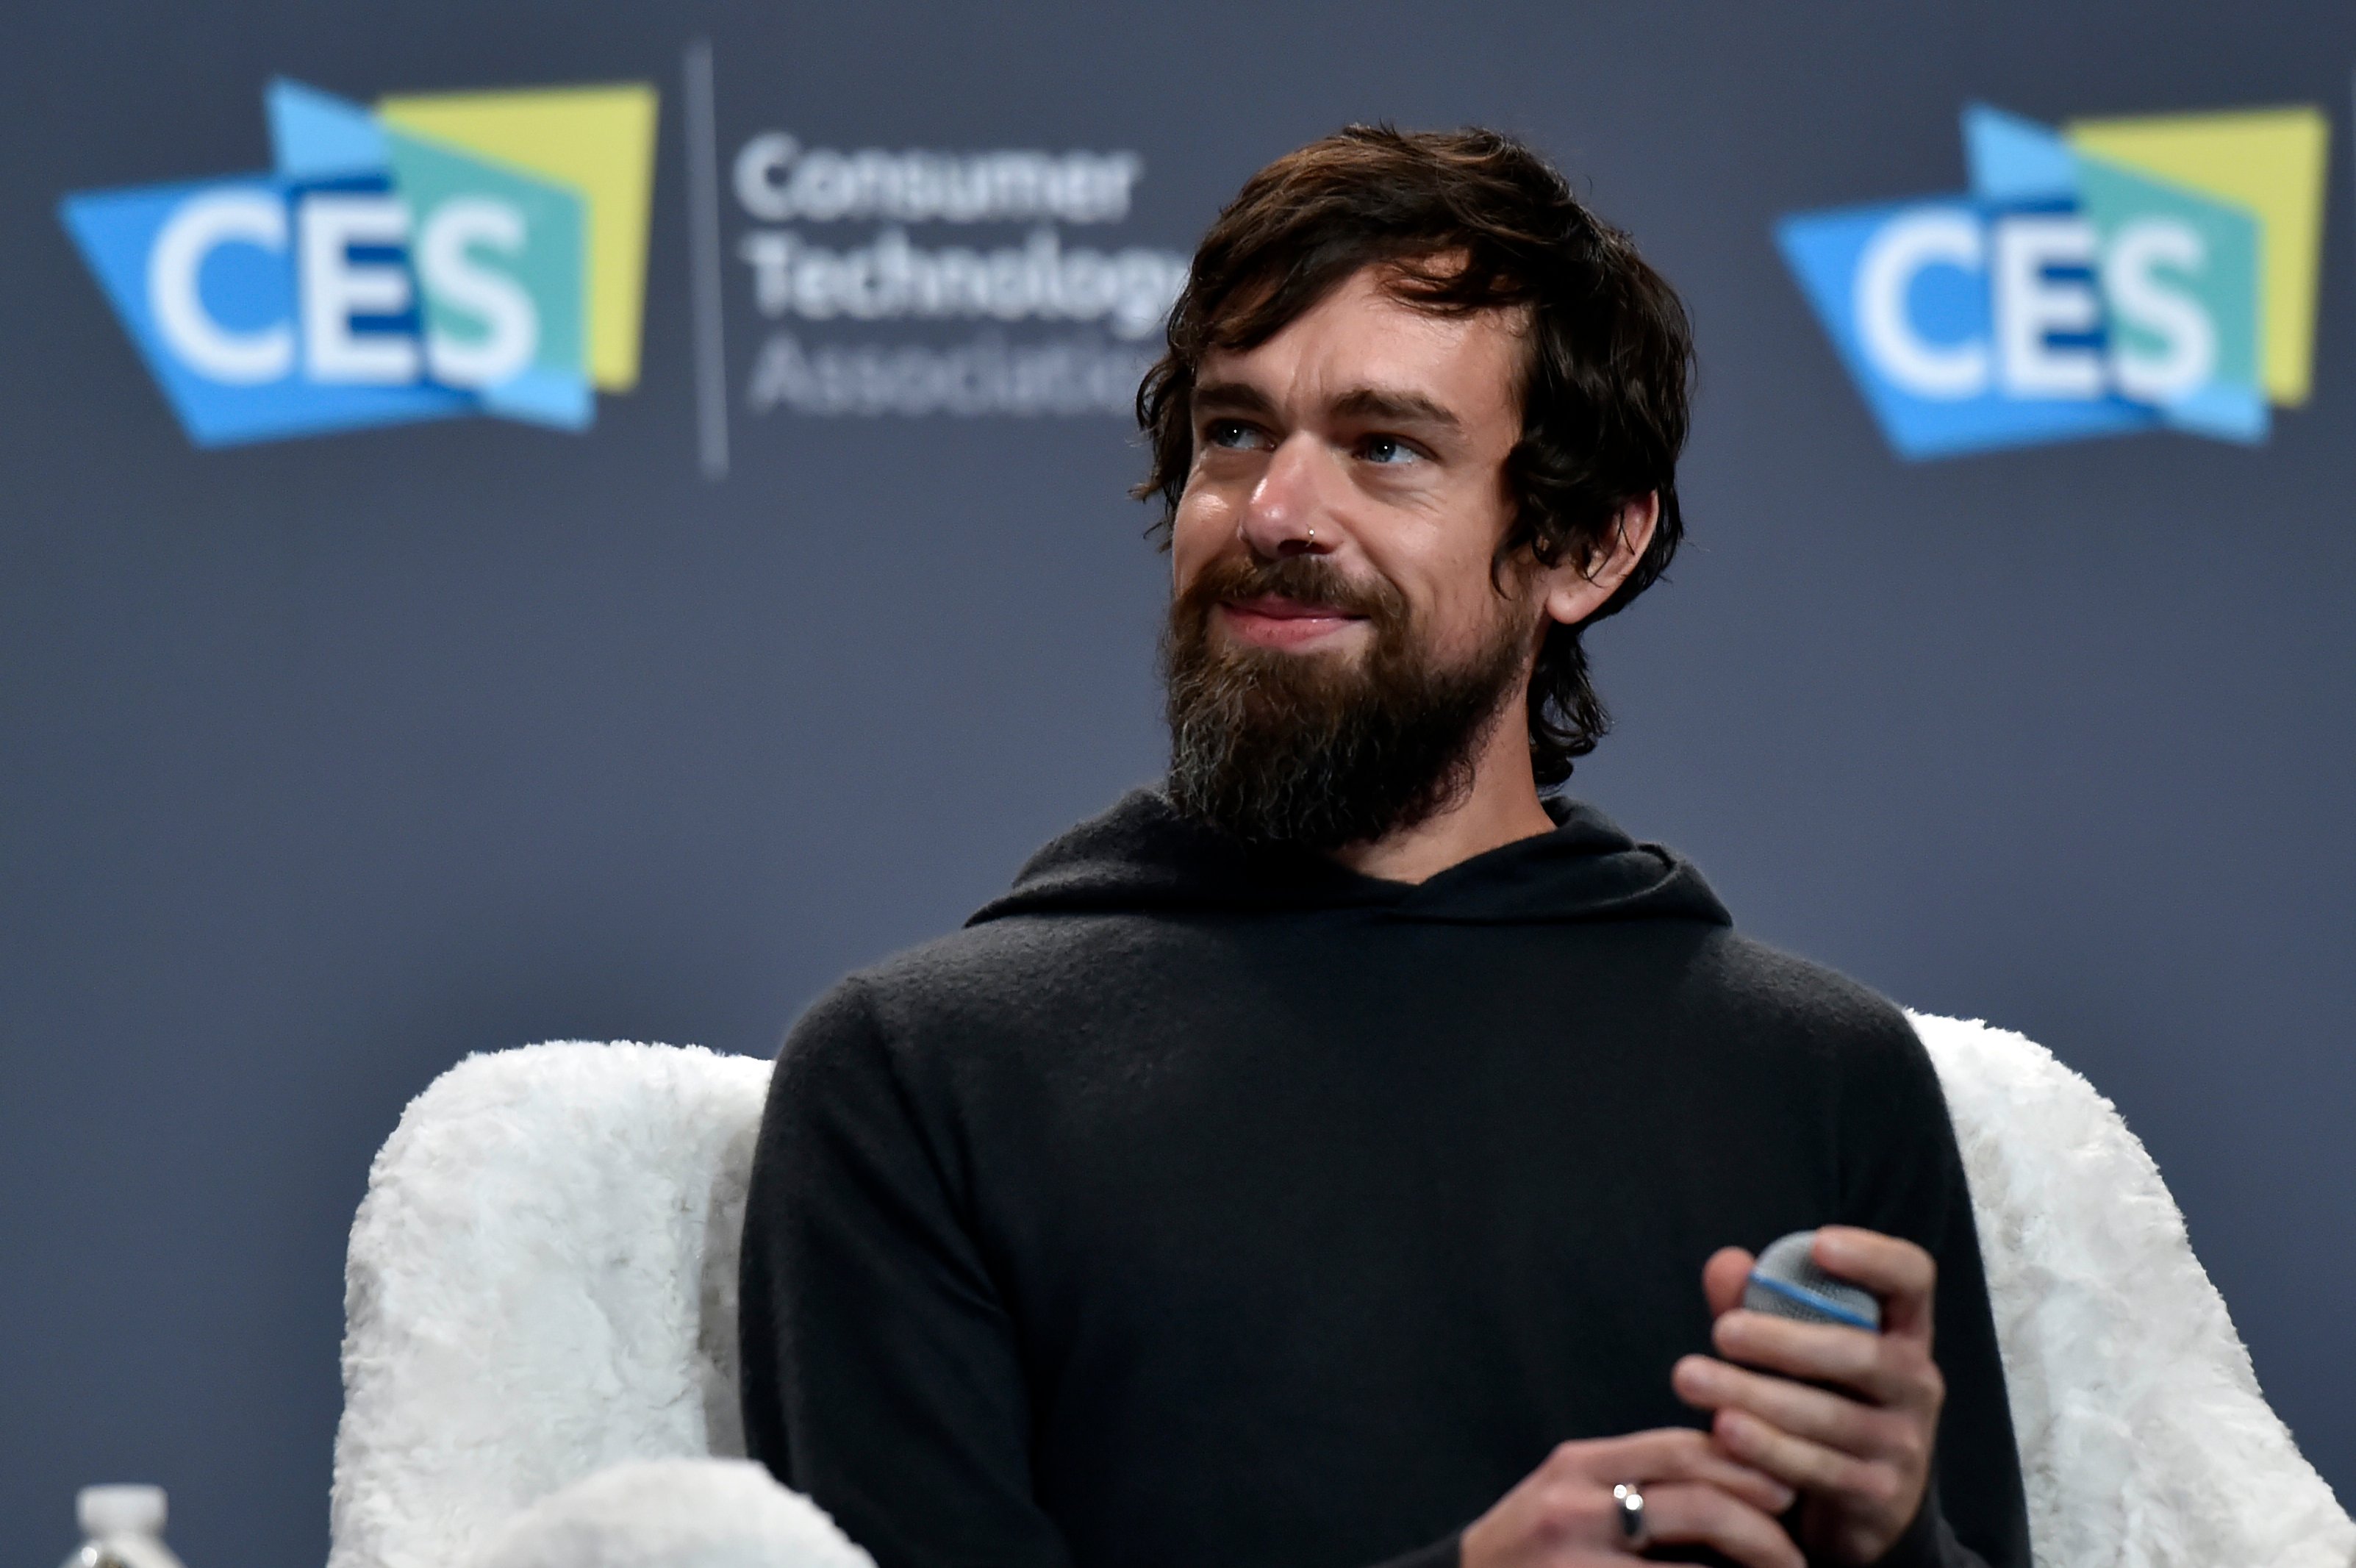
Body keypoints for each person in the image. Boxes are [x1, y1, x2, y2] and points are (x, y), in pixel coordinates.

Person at [737, 125, 2030, 1568]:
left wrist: (1895, 1541)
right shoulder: (919, 1078)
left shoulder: (1824, 1079)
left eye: (1385, 447)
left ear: (1588, 545)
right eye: (1232, 433)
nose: (1275, 514)